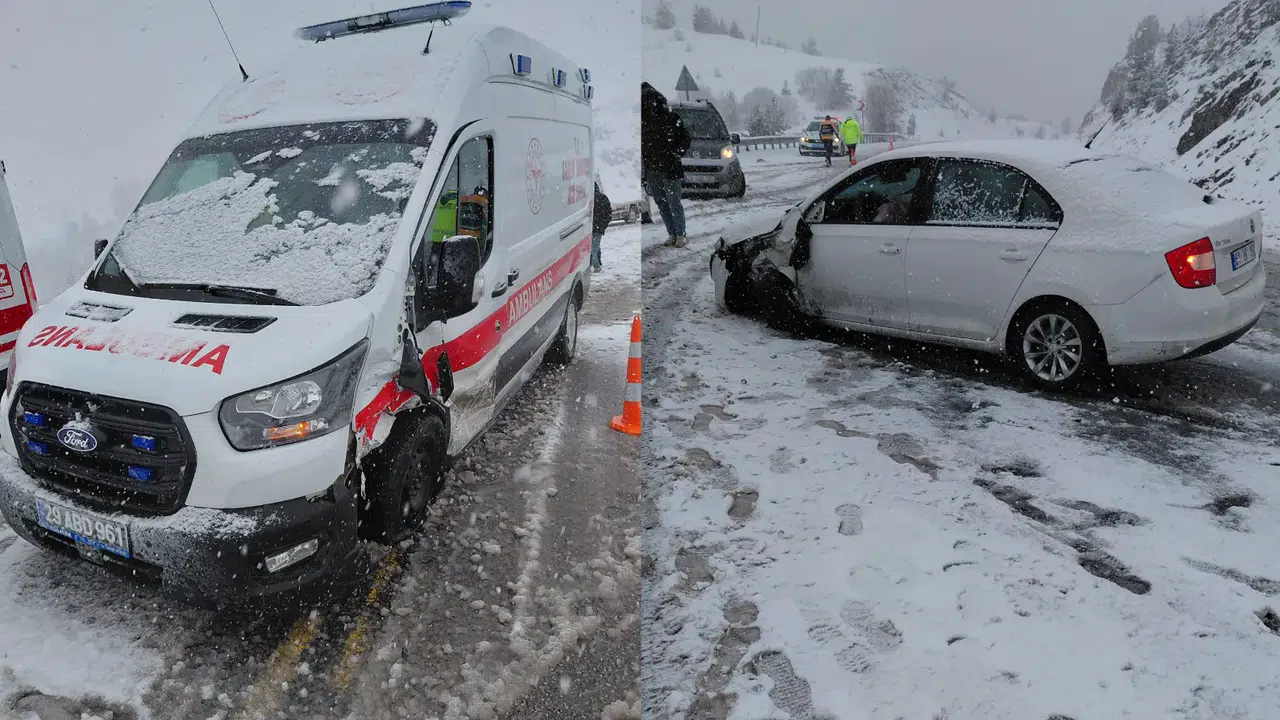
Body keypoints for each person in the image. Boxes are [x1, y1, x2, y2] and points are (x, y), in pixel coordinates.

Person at [641, 82, 691, 248]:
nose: (648, 104)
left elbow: (685, 138)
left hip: (669, 168)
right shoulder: (642, 123)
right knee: (663, 203)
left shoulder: (670, 118)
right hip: (654, 169)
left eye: (650, 99)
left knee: (672, 202)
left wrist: (676, 152)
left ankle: (680, 234)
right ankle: (673, 234)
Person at [591, 177, 610, 271]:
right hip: (598, 229)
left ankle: (596, 266)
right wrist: (603, 225)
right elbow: (608, 214)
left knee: (593, 249)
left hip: (590, 228)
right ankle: (598, 263)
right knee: (595, 247)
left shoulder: (588, 200)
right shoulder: (603, 198)